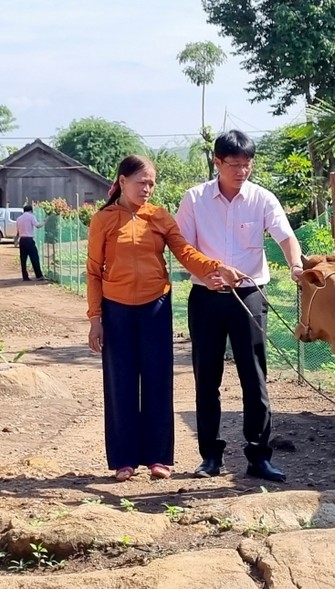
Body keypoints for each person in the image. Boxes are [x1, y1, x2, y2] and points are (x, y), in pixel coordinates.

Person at [86, 154, 244, 482]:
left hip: (155, 306)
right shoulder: (104, 220)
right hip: (116, 310)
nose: (147, 189)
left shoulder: (159, 217)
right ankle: (124, 459)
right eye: (142, 182)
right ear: (123, 180)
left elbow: (185, 252)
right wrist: (95, 318)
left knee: (158, 381)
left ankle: (159, 457)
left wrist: (216, 268)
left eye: (151, 184)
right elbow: (93, 272)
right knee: (121, 384)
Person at [176, 130, 303, 482]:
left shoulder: (262, 199)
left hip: (249, 296)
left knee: (254, 377)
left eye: (247, 164)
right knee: (207, 378)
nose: (241, 171)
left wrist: (295, 265)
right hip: (206, 296)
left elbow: (285, 235)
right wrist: (209, 270)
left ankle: (259, 457)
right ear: (217, 162)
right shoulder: (194, 199)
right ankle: (210, 457)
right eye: (234, 164)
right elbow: (181, 246)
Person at [16, 204, 47, 281]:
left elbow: (18, 232)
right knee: (34, 258)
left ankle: (25, 276)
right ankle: (39, 275)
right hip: (29, 240)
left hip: (22, 240)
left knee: (23, 259)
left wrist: (15, 240)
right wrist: (45, 221)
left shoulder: (19, 218)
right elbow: (38, 225)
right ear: (31, 210)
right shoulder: (31, 216)